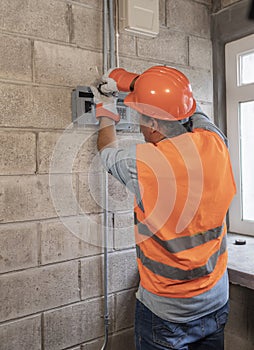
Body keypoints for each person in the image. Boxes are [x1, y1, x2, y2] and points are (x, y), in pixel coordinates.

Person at [95, 65, 236, 350]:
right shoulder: (215, 142)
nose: (139, 124)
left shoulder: (144, 166)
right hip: (216, 300)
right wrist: (137, 83)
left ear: (154, 125)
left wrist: (105, 105)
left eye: (140, 118)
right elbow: (193, 112)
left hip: (168, 313)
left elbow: (106, 148)